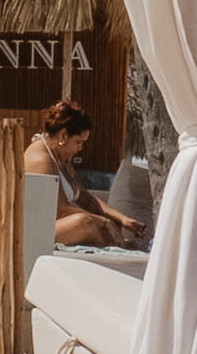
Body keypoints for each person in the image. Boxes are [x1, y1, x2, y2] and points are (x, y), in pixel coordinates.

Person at [20, 98, 136, 250]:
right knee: (84, 222)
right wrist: (103, 222)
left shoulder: (60, 158)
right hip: (35, 231)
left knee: (99, 223)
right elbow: (60, 210)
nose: (81, 148)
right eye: (79, 142)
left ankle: (114, 241)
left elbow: (84, 197)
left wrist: (120, 219)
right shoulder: (41, 160)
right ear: (63, 136)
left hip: (54, 226)